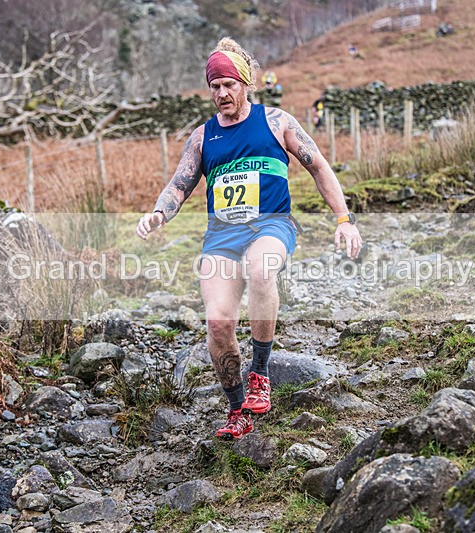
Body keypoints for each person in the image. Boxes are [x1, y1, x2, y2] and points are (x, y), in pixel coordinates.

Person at [135, 37, 362, 440]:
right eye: (215, 86)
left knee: (260, 269)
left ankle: (259, 372)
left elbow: (319, 167)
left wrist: (344, 219)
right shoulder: (202, 137)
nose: (222, 93)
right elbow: (179, 184)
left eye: (229, 84)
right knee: (218, 322)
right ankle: (238, 409)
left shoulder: (276, 122)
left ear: (245, 84)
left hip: (271, 225)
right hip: (222, 237)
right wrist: (158, 213)